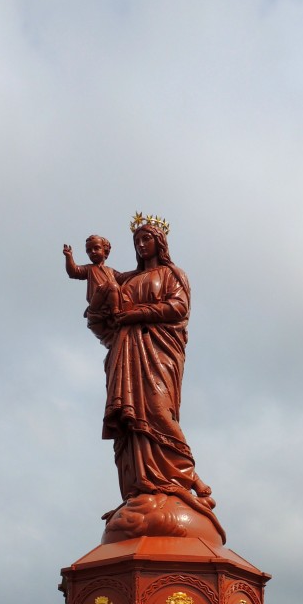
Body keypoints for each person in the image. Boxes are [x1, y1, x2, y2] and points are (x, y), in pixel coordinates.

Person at [98, 217, 217, 518]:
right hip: (126, 352)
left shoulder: (172, 274)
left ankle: (186, 477)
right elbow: (104, 311)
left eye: (146, 238)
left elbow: (178, 308)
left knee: (157, 410)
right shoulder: (125, 279)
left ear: (159, 242)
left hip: (159, 351)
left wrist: (135, 314)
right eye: (137, 240)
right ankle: (140, 486)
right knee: (130, 419)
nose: (140, 244)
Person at [63, 235, 122, 345]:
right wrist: (68, 257)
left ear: (106, 251)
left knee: (115, 287)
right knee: (112, 286)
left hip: (108, 305)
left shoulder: (111, 271)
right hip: (97, 302)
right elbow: (73, 271)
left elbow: (125, 278)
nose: (93, 252)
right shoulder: (89, 269)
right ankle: (116, 313)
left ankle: (115, 312)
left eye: (96, 248)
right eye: (89, 251)